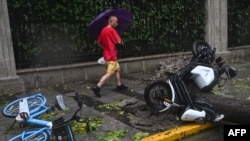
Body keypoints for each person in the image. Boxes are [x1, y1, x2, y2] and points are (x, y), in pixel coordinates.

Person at [92, 16, 128, 97]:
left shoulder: (103, 30)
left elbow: (99, 42)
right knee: (109, 73)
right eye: (116, 22)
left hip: (107, 54)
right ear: (111, 21)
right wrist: (122, 43)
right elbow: (119, 41)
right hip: (111, 55)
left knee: (117, 69)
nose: (117, 23)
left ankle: (119, 85)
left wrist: (105, 47)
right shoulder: (112, 30)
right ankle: (97, 87)